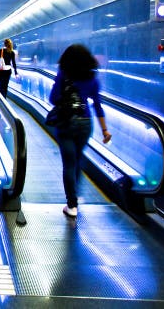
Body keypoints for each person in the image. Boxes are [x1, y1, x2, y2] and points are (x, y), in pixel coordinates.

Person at [49, 44, 112, 218]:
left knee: (69, 163)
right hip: (86, 123)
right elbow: (98, 105)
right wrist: (105, 131)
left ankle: (72, 205)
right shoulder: (92, 77)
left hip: (67, 122)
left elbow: (53, 98)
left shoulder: (64, 74)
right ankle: (76, 195)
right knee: (77, 159)